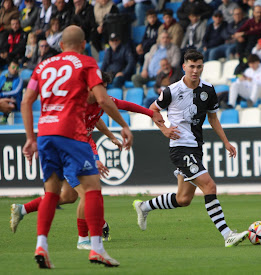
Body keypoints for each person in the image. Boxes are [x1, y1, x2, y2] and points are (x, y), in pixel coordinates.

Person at [20, 25, 133, 268]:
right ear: (83, 45)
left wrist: (30, 138)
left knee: (52, 193)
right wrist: (123, 125)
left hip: (45, 133)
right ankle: (96, 249)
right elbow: (102, 99)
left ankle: (41, 245)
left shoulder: (42, 66)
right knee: (92, 189)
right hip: (72, 132)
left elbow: (27, 100)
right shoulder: (86, 63)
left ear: (60, 45)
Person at [11, 70, 163, 250]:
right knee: (87, 193)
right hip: (68, 152)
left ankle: (22, 209)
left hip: (82, 150)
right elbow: (77, 136)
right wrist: (92, 159)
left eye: (106, 88)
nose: (104, 92)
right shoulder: (76, 106)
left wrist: (149, 114)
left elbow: (122, 106)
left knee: (67, 197)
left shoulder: (101, 101)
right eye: (101, 88)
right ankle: (84, 239)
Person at [133, 49, 249, 248]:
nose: (195, 70)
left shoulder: (208, 90)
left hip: (195, 147)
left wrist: (226, 141)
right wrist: (165, 129)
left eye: (199, 66)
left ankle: (144, 206)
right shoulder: (171, 91)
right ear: (184, 66)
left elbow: (212, 118)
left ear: (202, 67)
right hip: (180, 148)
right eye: (191, 66)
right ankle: (227, 234)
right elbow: (152, 110)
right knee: (209, 187)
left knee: (183, 198)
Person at [0, 59, 23, 123]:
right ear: (9, 68)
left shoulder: (19, 79)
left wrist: (2, 94)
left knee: (11, 103)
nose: (15, 69)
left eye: (17, 67)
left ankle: (5, 117)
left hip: (12, 100)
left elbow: (16, 92)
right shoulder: (2, 77)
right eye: (13, 67)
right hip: (1, 99)